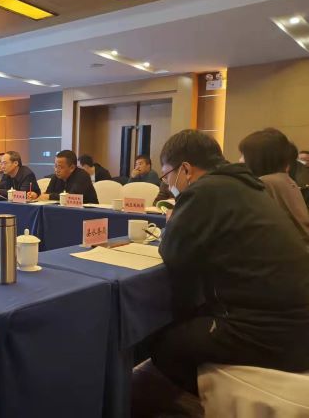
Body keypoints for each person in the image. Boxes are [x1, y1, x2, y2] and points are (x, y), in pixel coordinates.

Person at [137, 130, 309, 412]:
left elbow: (173, 252)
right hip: (296, 325)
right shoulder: (247, 186)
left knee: (161, 343)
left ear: (185, 169)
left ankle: (205, 402)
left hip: (268, 333)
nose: (168, 185)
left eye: (167, 177)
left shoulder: (204, 191)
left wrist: (175, 216)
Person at [239, 129, 309, 246]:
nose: (240, 160)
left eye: (244, 155)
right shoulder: (283, 179)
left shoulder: (265, 183)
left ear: (258, 158)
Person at [29, 150, 98, 203]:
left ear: (72, 168)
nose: (56, 170)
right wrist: (37, 196)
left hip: (88, 212)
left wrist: (50, 196)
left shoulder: (82, 176)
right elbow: (47, 194)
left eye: (59, 167)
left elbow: (71, 197)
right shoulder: (56, 176)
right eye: (55, 166)